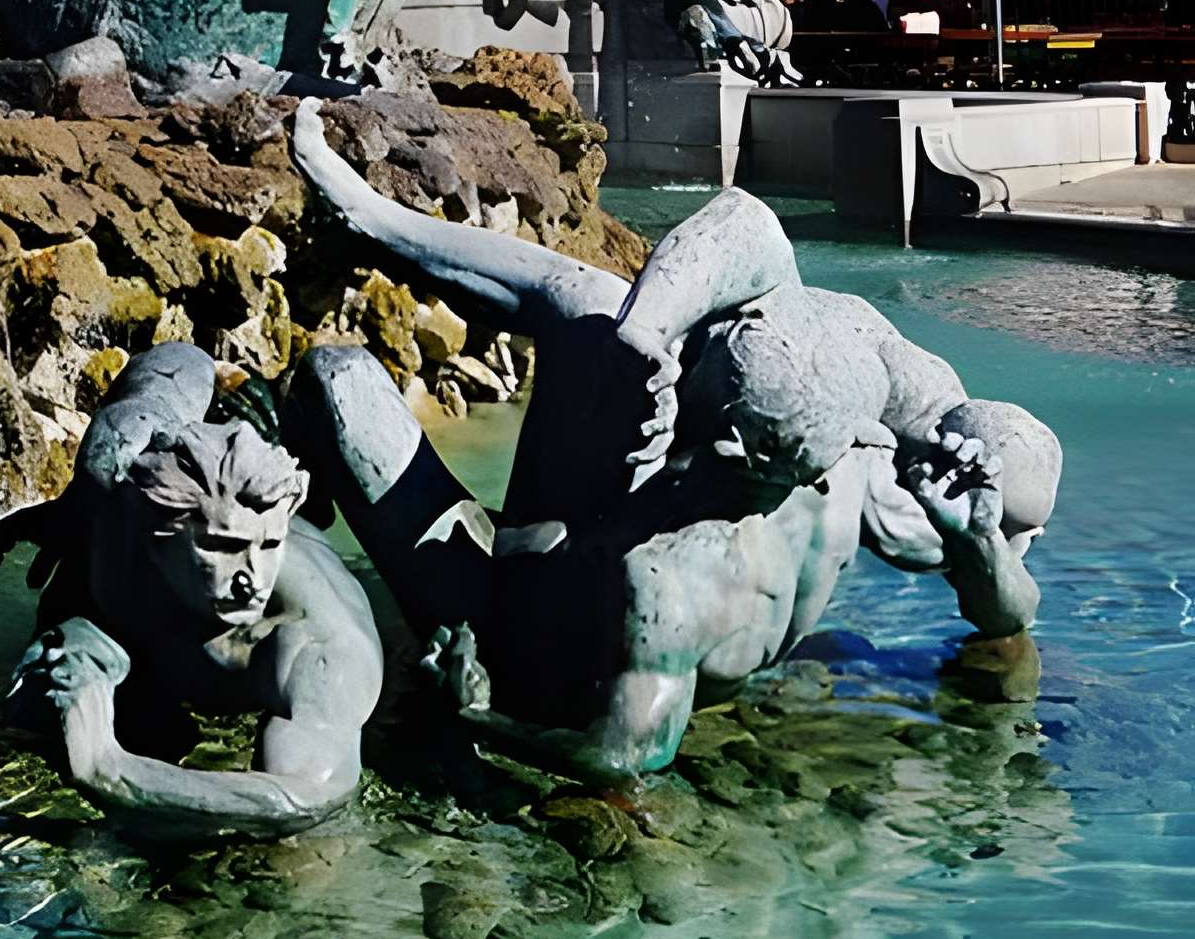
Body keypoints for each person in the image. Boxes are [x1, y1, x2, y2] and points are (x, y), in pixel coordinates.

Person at [285, 101, 1056, 783]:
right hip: (672, 634)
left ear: (731, 438)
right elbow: (1009, 616)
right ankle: (368, 222)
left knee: (345, 374)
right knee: (594, 314)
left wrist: (476, 715)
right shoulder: (860, 466)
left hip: (515, 642)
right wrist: (980, 543)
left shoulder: (668, 577)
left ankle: (361, 229)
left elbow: (621, 759)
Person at [0, 346, 382, 839]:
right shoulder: (116, 476)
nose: (251, 576)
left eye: (268, 544)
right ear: (154, 534)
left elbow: (305, 798)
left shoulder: (321, 646)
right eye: (220, 547)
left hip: (226, 663)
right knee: (34, 723)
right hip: (130, 611)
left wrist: (108, 765)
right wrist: (63, 515)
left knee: (299, 861)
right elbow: (180, 362)